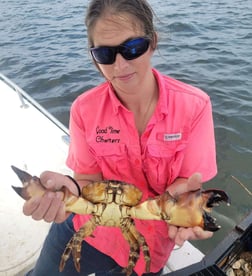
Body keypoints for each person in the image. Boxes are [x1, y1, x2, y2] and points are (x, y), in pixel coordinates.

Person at [24, 0, 217, 275]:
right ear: (94, 57)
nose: (120, 64)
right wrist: (67, 190)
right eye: (105, 53)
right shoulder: (84, 109)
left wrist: (186, 208)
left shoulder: (195, 106)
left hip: (149, 244)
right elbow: (87, 180)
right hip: (89, 230)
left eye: (132, 48)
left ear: (153, 43)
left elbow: (189, 183)